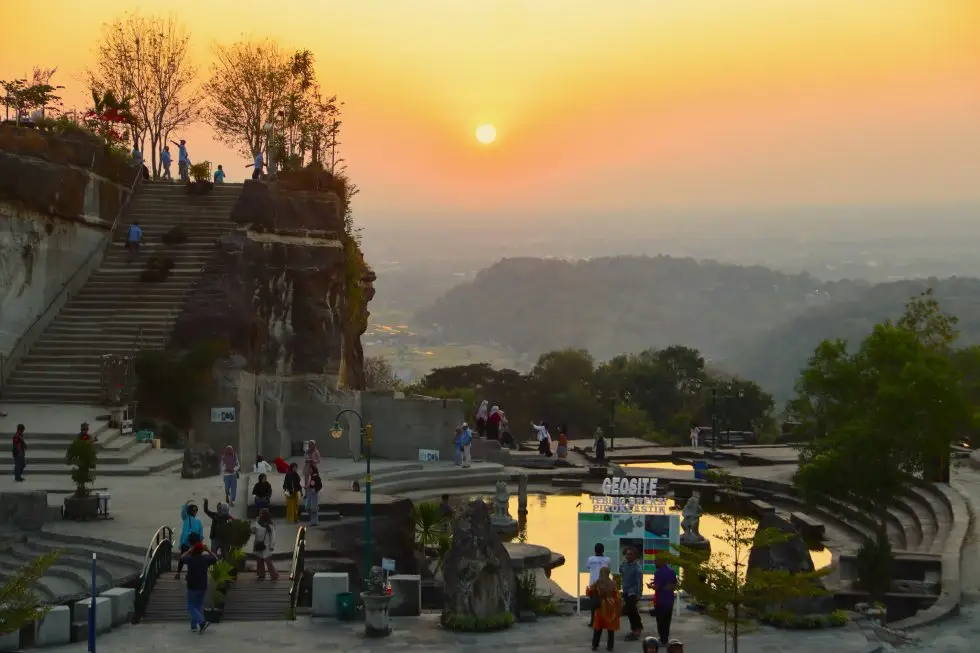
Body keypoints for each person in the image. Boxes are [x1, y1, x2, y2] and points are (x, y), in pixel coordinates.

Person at [181, 541, 216, 633]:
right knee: (197, 606)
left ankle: (202, 622)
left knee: (191, 606)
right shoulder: (205, 559)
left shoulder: (190, 559)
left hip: (192, 585)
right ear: (202, 550)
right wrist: (208, 550)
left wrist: (189, 550)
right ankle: (194, 626)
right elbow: (215, 558)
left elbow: (182, 558)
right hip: (203, 585)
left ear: (194, 550)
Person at [587, 566, 621, 651]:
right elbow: (617, 596)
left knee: (598, 627)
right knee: (610, 628)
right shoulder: (613, 583)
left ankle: (595, 645)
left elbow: (590, 591)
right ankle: (610, 646)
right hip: (611, 606)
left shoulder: (598, 582)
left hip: (600, 606)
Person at [649, 556, 678, 644]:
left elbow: (657, 587)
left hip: (661, 600)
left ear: (661, 562)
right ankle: (665, 638)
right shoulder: (672, 572)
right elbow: (674, 586)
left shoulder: (658, 573)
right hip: (670, 600)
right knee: (667, 620)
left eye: (656, 561)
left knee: (660, 621)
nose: (654, 563)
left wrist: (650, 586)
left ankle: (662, 639)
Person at [175, 502, 204, 580]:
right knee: (182, 557)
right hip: (186, 541)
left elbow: (201, 531)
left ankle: (189, 574)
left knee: (192, 559)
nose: (195, 512)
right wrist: (186, 504)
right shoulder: (186, 518)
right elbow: (183, 512)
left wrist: (200, 540)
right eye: (193, 510)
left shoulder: (198, 521)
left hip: (194, 543)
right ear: (190, 510)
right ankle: (178, 573)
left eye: (196, 510)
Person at [620, 547, 644, 640]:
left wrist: (639, 594)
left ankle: (638, 628)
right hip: (626, 591)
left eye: (630, 554)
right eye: (627, 554)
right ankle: (634, 629)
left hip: (633, 592)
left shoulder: (637, 567)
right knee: (630, 611)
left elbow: (639, 581)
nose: (628, 556)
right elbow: (620, 574)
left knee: (632, 610)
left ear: (635, 556)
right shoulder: (624, 565)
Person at [585, 543, 612, 627]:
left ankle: (593, 621)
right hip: (604, 585)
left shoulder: (590, 559)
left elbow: (588, 567)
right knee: (604, 604)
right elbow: (608, 569)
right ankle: (604, 621)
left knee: (593, 605)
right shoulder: (607, 559)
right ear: (603, 550)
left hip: (593, 585)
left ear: (594, 550)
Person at [250, 508, 278, 580]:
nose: (260, 515)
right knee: (259, 561)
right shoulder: (257, 523)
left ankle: (273, 575)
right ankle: (261, 574)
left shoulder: (270, 525)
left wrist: (272, 545)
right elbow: (254, 531)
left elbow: (273, 536)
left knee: (268, 561)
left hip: (266, 546)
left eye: (261, 513)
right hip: (258, 545)